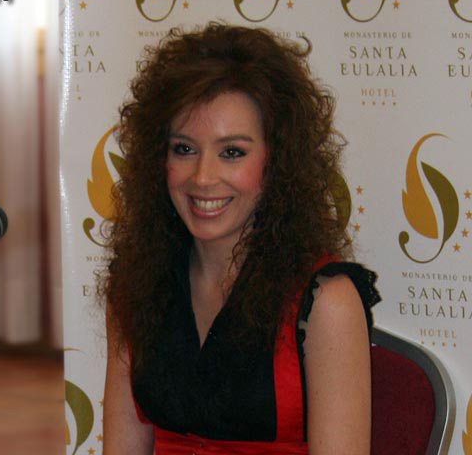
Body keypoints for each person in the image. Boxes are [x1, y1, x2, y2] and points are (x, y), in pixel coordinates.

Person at [99, 23, 380, 455]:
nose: (203, 177)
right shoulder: (136, 284)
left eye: (232, 152)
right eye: (184, 149)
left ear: (275, 162)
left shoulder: (327, 301)